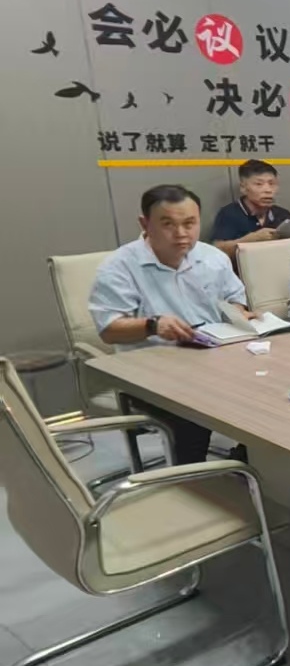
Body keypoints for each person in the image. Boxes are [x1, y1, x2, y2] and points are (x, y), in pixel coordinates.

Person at [89, 185, 254, 465]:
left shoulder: (212, 258)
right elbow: (109, 330)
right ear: (145, 224)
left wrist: (238, 313)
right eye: (168, 224)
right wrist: (153, 325)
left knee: (270, 393)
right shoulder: (119, 267)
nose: (181, 234)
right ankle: (190, 477)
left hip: (215, 361)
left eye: (190, 223)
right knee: (194, 411)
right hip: (152, 373)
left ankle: (249, 459)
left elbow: (235, 299)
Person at [211, 159, 290, 258]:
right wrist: (249, 240)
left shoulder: (283, 215)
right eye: (259, 184)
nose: (268, 190)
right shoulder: (229, 214)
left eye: (272, 184)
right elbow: (217, 250)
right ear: (243, 188)